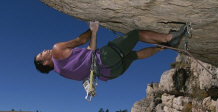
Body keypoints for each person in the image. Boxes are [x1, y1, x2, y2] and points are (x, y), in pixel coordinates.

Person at [34, 21, 187, 82]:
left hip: (111, 73)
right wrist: (90, 28)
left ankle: (163, 48)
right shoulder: (56, 50)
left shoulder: (64, 72)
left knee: (134, 55)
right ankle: (169, 38)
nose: (44, 51)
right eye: (41, 54)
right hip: (106, 57)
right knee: (136, 34)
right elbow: (80, 40)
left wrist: (94, 32)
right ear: (45, 62)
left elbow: (90, 52)